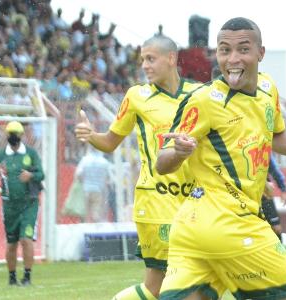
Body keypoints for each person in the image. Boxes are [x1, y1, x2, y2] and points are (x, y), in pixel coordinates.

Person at [156, 17, 286, 299]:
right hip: (234, 224)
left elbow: (275, 132)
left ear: (261, 53)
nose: (233, 59)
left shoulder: (268, 89)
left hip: (190, 233)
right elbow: (162, 162)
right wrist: (178, 153)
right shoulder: (205, 100)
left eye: (243, 50)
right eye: (224, 50)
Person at [75, 35, 201, 299]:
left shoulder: (199, 94)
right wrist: (91, 135)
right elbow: (110, 142)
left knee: (199, 281)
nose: (145, 65)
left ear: (171, 59)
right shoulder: (137, 96)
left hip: (194, 200)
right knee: (161, 285)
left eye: (151, 58)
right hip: (157, 200)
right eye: (143, 59)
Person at [0, 121, 45, 286]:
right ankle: (12, 277)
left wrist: (30, 175)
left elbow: (41, 174)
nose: (13, 136)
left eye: (16, 133)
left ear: (22, 135)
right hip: (9, 205)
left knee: (26, 239)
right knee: (11, 242)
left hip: (29, 203)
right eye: (10, 133)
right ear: (6, 135)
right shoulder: (1, 155)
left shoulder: (30, 153)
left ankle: (27, 276)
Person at [75, 147, 113, 223]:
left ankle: (85, 227)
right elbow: (109, 178)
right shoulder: (104, 162)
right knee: (96, 213)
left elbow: (78, 174)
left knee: (85, 213)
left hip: (86, 189)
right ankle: (96, 229)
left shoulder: (85, 160)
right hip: (98, 190)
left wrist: (83, 181)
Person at [261, 156, 286, 242]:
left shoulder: (264, 152)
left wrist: (283, 189)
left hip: (265, 197)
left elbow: (274, 170)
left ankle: (280, 252)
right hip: (247, 196)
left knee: (276, 228)